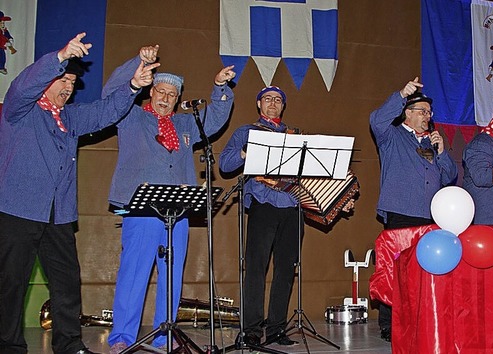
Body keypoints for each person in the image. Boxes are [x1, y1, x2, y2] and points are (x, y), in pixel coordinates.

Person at [0, 33, 156, 354]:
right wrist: (58, 58)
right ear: (46, 80)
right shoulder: (20, 109)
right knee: (10, 283)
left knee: (67, 282)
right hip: (18, 209)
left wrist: (132, 85)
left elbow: (106, 111)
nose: (68, 86)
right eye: (62, 79)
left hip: (58, 214)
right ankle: (9, 346)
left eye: (72, 81)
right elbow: (23, 85)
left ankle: (69, 345)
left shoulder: (70, 117)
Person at [102, 45, 235, 353]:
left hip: (179, 210)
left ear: (177, 99)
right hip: (142, 208)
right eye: (160, 91)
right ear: (151, 92)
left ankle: (165, 333)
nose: (165, 98)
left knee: (172, 274)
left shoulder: (186, 124)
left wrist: (220, 88)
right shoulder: (131, 117)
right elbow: (111, 92)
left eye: (172, 95)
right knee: (134, 272)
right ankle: (122, 335)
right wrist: (138, 63)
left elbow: (214, 119)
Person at [369, 77, 458, 341]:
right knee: (393, 269)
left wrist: (441, 151)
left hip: (428, 216)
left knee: (422, 269)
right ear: (407, 113)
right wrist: (401, 94)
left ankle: (419, 316)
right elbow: (376, 120)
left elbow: (450, 175)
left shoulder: (431, 143)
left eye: (429, 113)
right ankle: (389, 323)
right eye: (422, 111)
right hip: (400, 212)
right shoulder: (392, 136)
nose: (427, 117)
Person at [219, 86, 301, 347]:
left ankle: (276, 328)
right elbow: (225, 164)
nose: (273, 103)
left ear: (283, 106)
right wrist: (247, 151)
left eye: (278, 100)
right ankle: (252, 329)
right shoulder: (246, 132)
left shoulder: (295, 135)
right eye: (268, 99)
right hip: (263, 204)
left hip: (292, 206)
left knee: (286, 271)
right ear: (258, 104)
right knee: (255, 268)